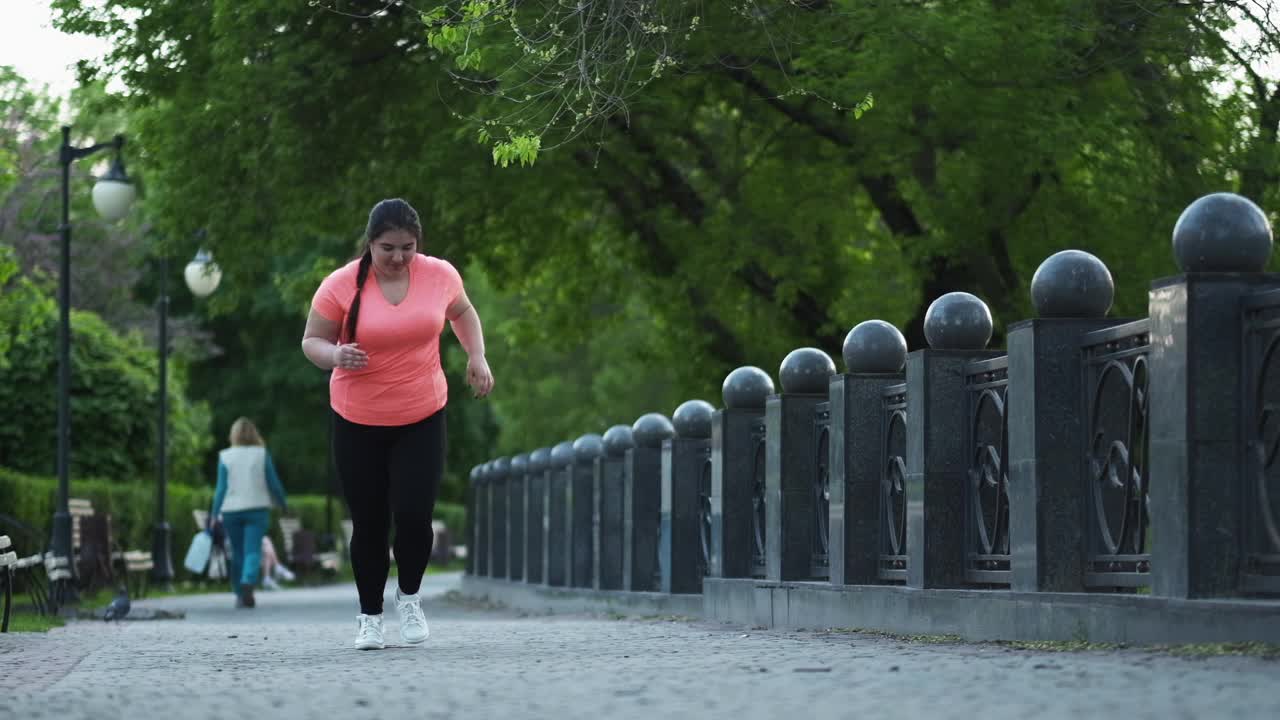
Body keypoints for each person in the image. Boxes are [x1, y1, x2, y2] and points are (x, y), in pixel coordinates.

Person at [301, 198, 494, 650]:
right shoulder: (340, 285)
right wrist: (335, 355)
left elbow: (462, 312)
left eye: (408, 247)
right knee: (369, 522)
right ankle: (369, 616)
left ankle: (408, 598)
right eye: (388, 247)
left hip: (421, 414)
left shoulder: (439, 275)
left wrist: (477, 356)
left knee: (413, 515)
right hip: (357, 417)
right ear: (369, 244)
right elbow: (312, 340)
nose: (398, 257)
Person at [209, 417, 289, 609]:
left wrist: (214, 514)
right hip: (257, 509)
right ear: (254, 434)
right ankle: (248, 581)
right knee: (253, 550)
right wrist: (283, 503)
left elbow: (220, 489)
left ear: (233, 435)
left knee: (237, 553)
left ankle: (238, 593)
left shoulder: (225, 456)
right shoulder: (261, 454)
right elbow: (274, 483)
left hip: (231, 511)